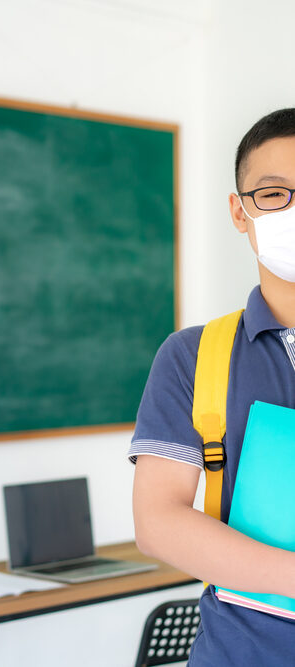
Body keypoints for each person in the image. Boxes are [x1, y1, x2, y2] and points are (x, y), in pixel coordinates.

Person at [127, 108, 295, 666]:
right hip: (244, 653)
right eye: (274, 193)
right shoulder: (195, 356)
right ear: (239, 212)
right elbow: (158, 520)